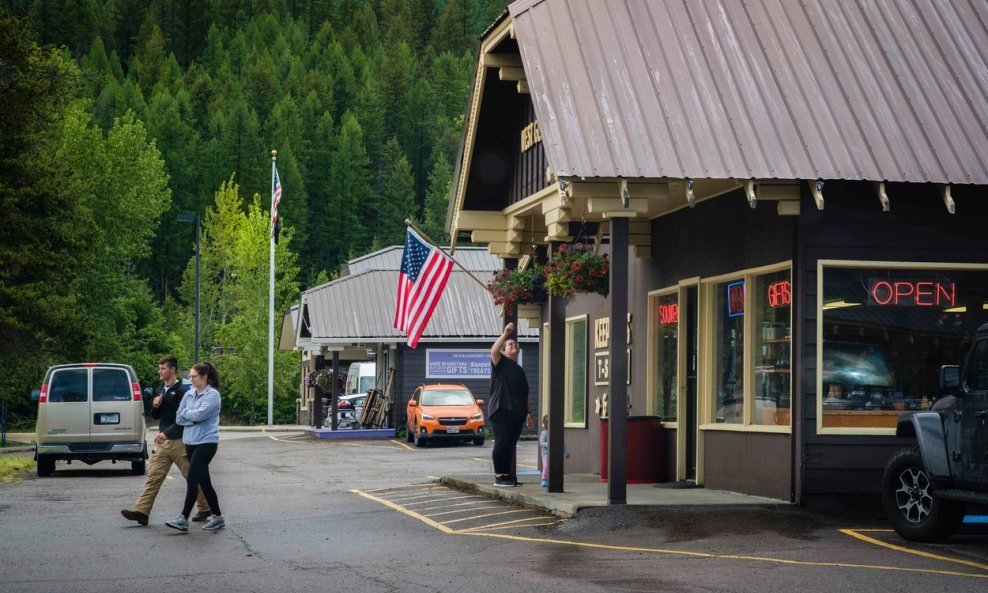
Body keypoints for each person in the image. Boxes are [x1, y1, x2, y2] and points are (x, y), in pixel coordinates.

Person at [121, 356, 210, 526]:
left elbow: (183, 418)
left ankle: (205, 507)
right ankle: (142, 512)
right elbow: (155, 416)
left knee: (192, 477)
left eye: (163, 368)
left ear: (172, 370)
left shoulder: (183, 391)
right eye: (159, 368)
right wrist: (155, 405)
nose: (160, 371)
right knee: (154, 477)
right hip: (164, 442)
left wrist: (167, 433)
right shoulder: (161, 389)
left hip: (180, 441)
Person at [165, 361, 225, 532]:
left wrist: (190, 415)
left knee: (192, 479)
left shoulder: (212, 395)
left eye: (194, 376)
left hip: (206, 442)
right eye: (189, 376)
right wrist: (193, 415)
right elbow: (179, 418)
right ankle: (218, 516)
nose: (190, 379)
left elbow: (200, 415)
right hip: (190, 442)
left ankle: (183, 518)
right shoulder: (189, 395)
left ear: (204, 377)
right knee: (204, 482)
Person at [489, 322, 534, 487]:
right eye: (509, 344)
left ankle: (507, 475)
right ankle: (499, 476)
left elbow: (523, 393)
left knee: (510, 444)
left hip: (517, 413)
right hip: (501, 410)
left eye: (515, 343)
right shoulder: (500, 363)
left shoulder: (519, 369)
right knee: (502, 443)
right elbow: (493, 351)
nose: (513, 345)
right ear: (503, 350)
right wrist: (506, 333)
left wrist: (528, 412)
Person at [539, 414, 569, 488]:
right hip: (545, 454)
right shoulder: (544, 433)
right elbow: (541, 443)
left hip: (555, 454)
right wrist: (549, 444)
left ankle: (553, 479)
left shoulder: (557, 433)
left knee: (555, 467)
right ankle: (544, 479)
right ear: (546, 424)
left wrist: (566, 452)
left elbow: (562, 443)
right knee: (546, 466)